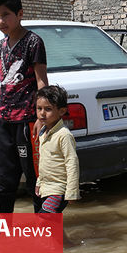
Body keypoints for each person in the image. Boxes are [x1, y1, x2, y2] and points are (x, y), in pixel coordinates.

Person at [0, 0, 48, 213]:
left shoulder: (33, 42)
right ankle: (6, 236)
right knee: (3, 181)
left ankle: (47, 235)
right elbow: (4, 85)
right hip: (4, 123)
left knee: (35, 180)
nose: (1, 21)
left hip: (27, 123)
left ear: (19, 14)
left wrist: (42, 118)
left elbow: (42, 82)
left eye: (5, 15)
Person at [34, 85, 80, 213]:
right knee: (53, 224)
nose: (42, 113)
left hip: (59, 190)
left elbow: (72, 163)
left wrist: (72, 191)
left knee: (43, 220)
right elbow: (43, 161)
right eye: (39, 108)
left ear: (61, 111)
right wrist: (39, 183)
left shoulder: (64, 135)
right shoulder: (43, 132)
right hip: (46, 189)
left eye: (48, 109)